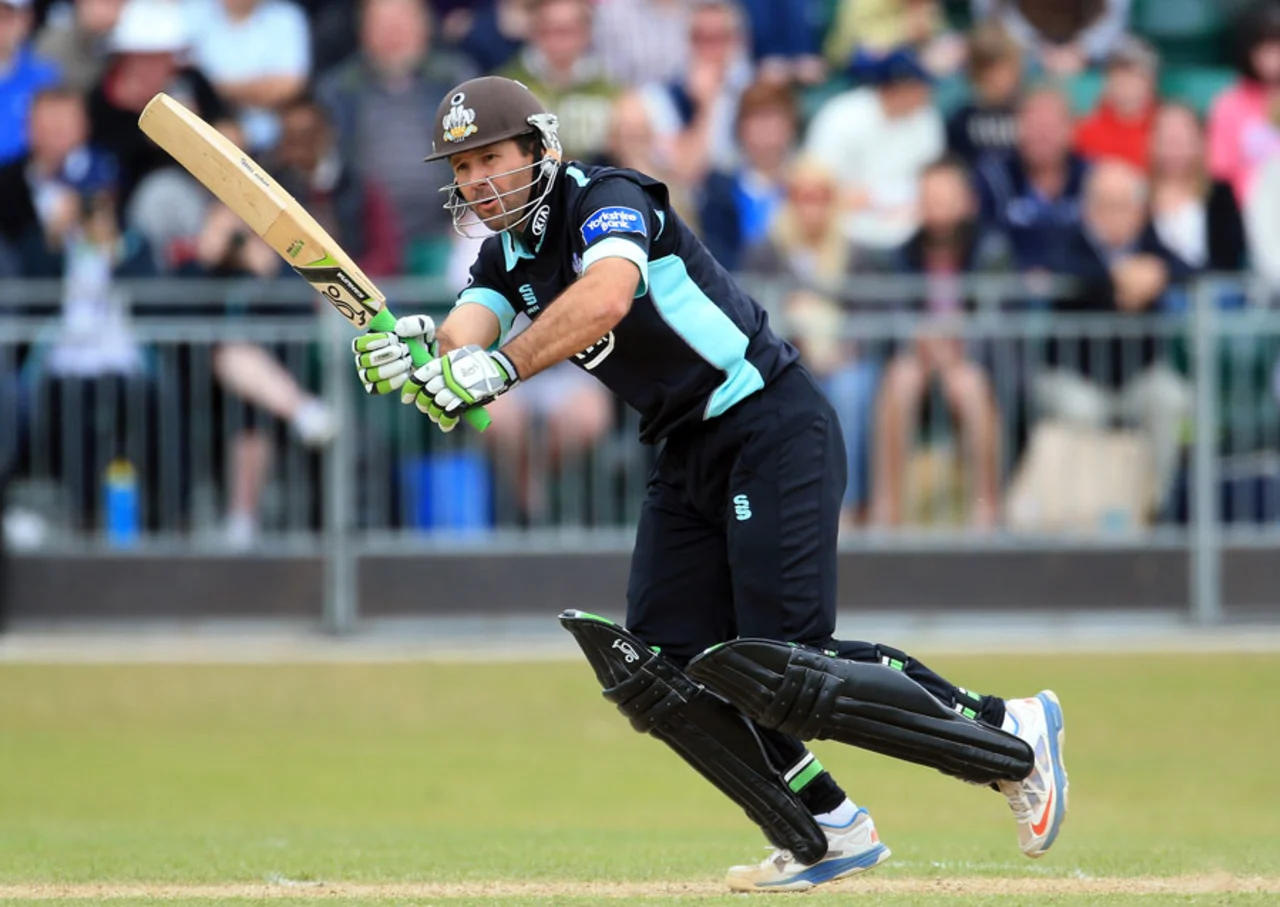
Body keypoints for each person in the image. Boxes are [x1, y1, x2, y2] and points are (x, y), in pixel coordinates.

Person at [348, 75, 1069, 892]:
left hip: (767, 420)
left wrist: (498, 366)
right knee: (661, 668)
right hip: (685, 450)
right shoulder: (503, 256)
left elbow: (609, 294)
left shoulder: (608, 197)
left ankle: (1010, 733)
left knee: (788, 666)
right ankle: (825, 826)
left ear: (539, 150)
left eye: (491, 158)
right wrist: (414, 354)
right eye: (463, 167)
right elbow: (461, 340)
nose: (477, 181)